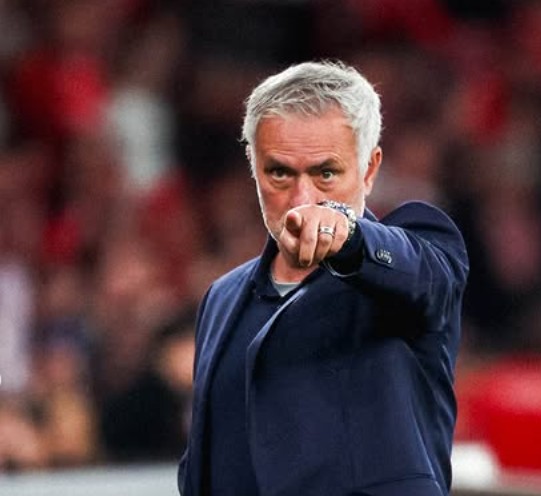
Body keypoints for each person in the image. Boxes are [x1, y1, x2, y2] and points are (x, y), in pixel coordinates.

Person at [178, 60, 469, 496]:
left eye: (326, 173)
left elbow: (425, 274)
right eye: (280, 172)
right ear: (253, 166)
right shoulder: (221, 299)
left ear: (369, 170)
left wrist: (347, 236)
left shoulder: (415, 257)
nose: (303, 198)